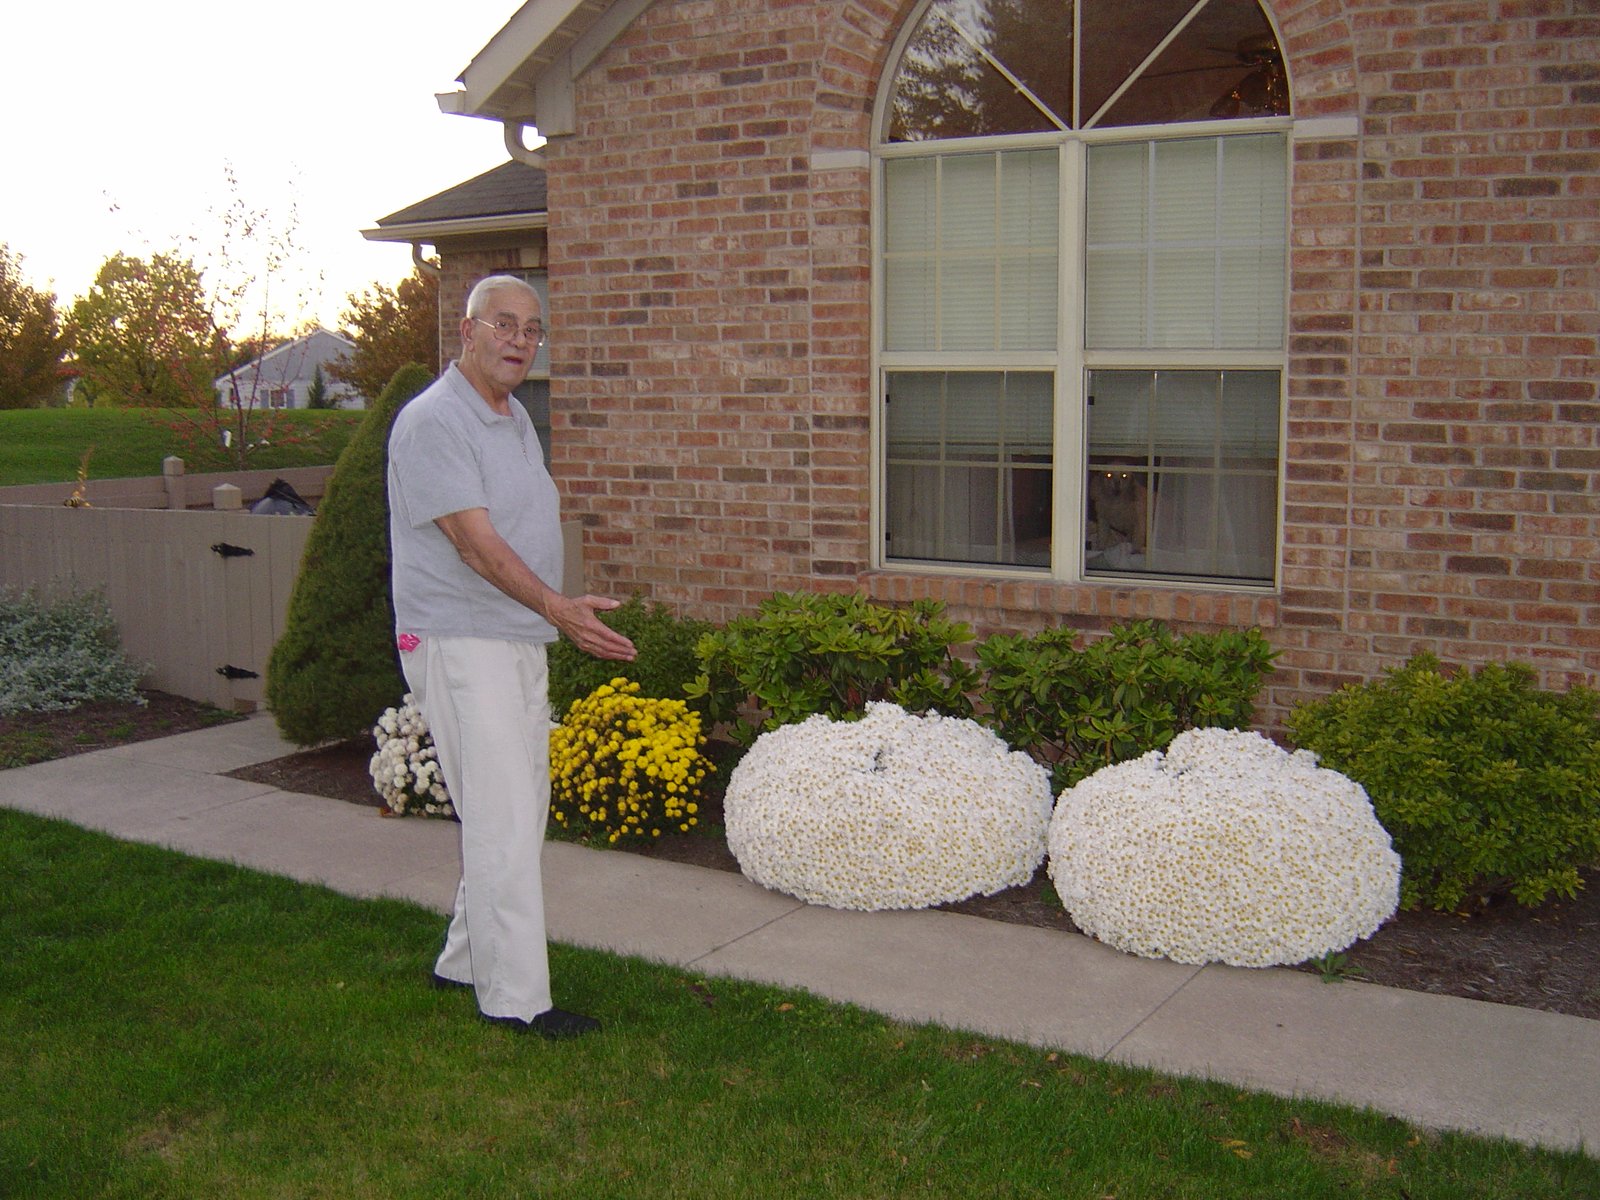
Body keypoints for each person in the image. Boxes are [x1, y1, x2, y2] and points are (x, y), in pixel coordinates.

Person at [387, 273, 636, 1039]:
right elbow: (474, 545)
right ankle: (516, 999)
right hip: (463, 638)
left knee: (516, 811)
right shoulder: (434, 421)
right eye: (504, 324)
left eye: (532, 330)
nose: (520, 341)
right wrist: (559, 607)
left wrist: (548, 614)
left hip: (514, 634)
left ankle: (465, 958)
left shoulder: (511, 416)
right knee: (501, 817)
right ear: (467, 331)